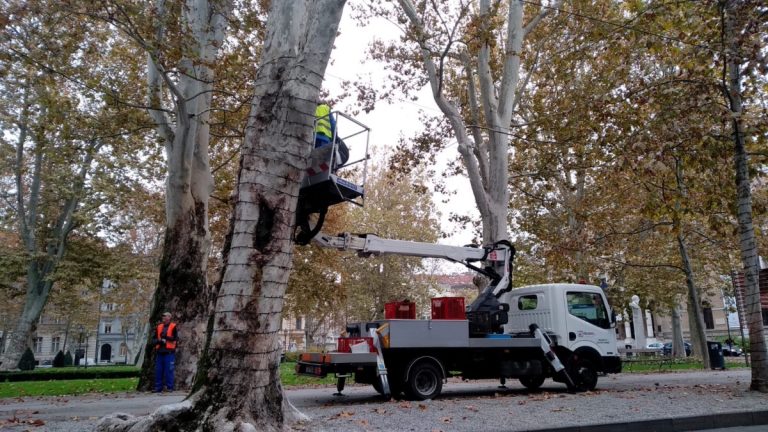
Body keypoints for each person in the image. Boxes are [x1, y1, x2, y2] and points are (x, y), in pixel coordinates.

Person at [314, 103, 349, 170]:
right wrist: (335, 138)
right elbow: (333, 125)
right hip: (325, 139)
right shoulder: (325, 108)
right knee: (323, 161)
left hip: (312, 138)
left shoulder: (308, 107)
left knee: (313, 159)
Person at [153, 311, 178, 392]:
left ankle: (169, 387)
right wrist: (158, 341)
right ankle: (158, 388)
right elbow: (154, 339)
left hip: (169, 352)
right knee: (158, 371)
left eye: (165, 316)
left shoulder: (173, 326)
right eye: (163, 316)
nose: (163, 318)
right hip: (160, 352)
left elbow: (175, 338)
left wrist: (166, 337)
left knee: (169, 371)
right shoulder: (159, 327)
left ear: (169, 317)